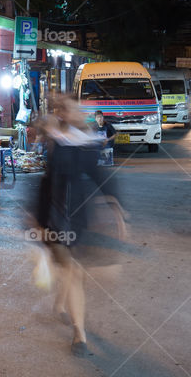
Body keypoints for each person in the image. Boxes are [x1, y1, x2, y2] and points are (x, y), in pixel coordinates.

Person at [36, 94, 128, 357]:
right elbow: (46, 181)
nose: (81, 114)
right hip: (56, 216)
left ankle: (61, 305)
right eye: (75, 110)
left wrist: (117, 208)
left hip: (79, 217)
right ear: (64, 114)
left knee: (72, 270)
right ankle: (80, 333)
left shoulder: (86, 141)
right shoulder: (55, 139)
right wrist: (39, 220)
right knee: (74, 272)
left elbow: (100, 175)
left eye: (80, 110)